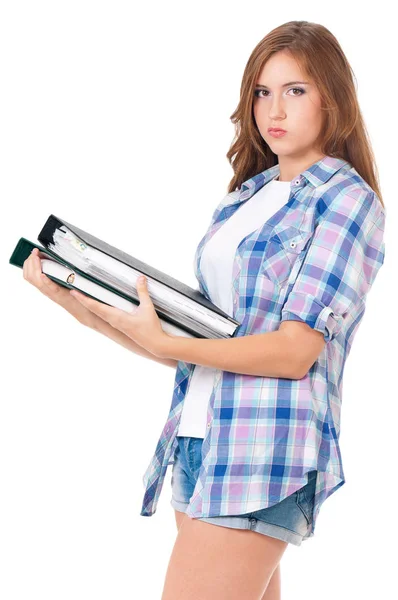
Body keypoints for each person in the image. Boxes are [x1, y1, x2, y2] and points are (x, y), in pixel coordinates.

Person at [23, 20, 386, 600]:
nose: (275, 108)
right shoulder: (246, 197)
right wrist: (88, 307)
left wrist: (168, 343)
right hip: (199, 438)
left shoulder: (346, 201)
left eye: (296, 90)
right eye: (263, 91)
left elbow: (296, 352)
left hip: (264, 449)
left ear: (332, 97)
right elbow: (207, 343)